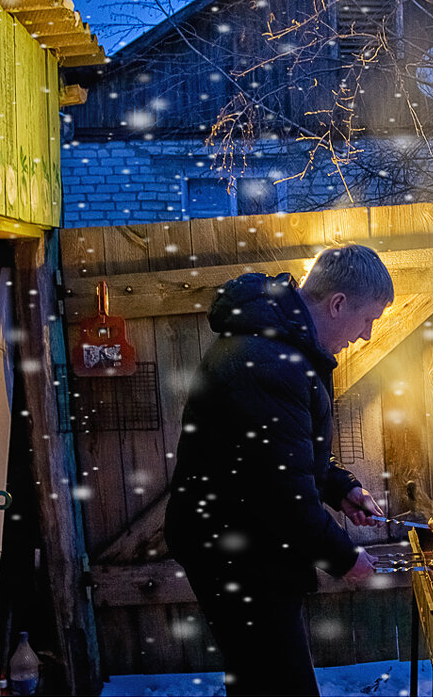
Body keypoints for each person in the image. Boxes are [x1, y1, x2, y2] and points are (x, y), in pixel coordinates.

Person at [164, 244, 395, 696]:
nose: (367, 335)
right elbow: (281, 493)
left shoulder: (283, 345)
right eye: (368, 319)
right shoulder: (270, 360)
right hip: (235, 550)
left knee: (261, 676)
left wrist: (339, 486)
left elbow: (283, 456)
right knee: (276, 682)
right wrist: (345, 558)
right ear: (338, 304)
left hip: (246, 538)